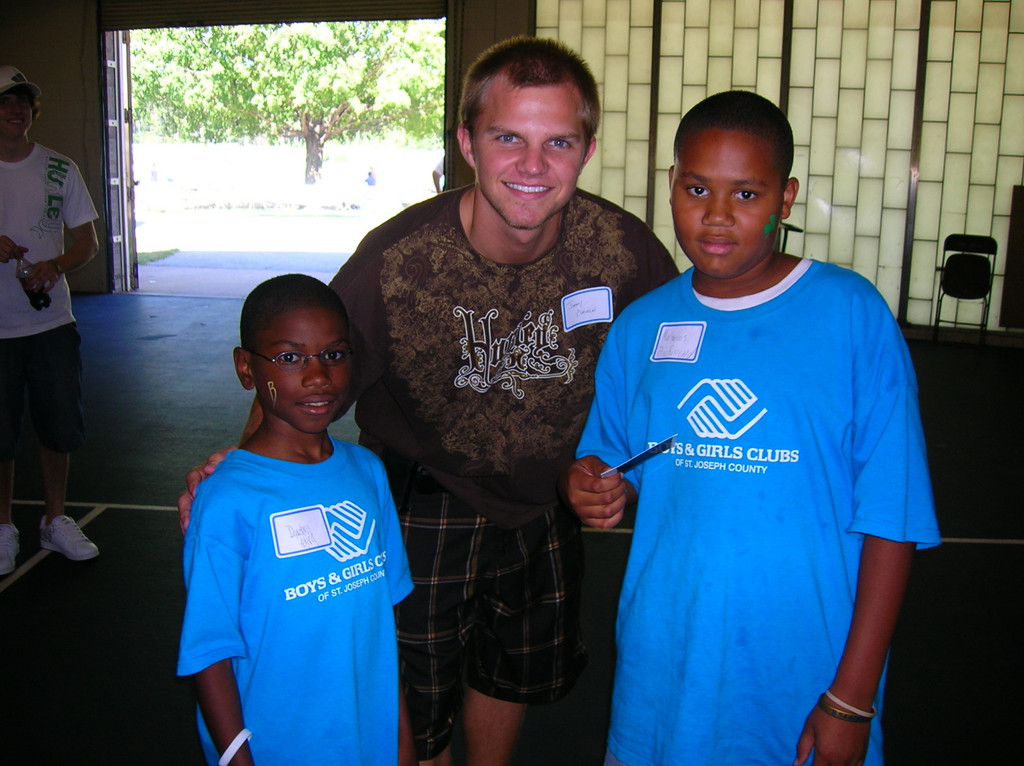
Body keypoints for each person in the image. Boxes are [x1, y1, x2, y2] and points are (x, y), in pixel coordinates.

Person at [180, 36, 678, 765]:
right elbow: (305, 375)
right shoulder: (396, 262)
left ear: (588, 148)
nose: (533, 166)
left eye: (558, 142)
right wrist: (242, 468)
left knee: (512, 668)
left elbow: (663, 374)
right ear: (468, 142)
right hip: (424, 499)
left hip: (545, 501)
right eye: (508, 137)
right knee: (416, 698)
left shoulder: (625, 253)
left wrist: (616, 470)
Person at [561, 90, 941, 766]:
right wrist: (591, 484)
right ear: (672, 184)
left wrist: (852, 697)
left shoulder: (850, 316)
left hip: (804, 681)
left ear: (786, 199)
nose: (716, 216)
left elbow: (893, 517)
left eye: (747, 195)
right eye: (697, 188)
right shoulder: (642, 327)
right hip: (662, 672)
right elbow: (609, 457)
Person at [177, 274, 417, 766]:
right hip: (278, 746)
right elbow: (209, 651)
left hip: (368, 740)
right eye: (289, 358)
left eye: (335, 354)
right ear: (246, 367)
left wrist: (402, 743)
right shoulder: (226, 499)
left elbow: (378, 629)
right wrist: (236, 759)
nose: (318, 376)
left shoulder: (367, 472)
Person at [0, 65, 100, 576]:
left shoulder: (59, 169)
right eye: (5, 102)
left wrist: (54, 265)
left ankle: (55, 520)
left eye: (23, 102)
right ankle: (3, 528)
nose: (15, 110)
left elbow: (87, 242)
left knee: (59, 426)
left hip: (51, 325)